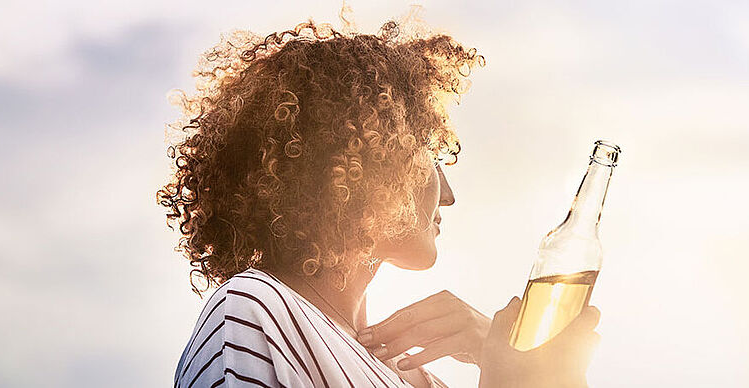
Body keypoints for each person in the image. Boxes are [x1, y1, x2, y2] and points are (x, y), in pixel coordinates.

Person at [159, 19, 601, 388]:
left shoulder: (421, 380)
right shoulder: (254, 311)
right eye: (429, 152)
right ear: (367, 159)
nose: (449, 195)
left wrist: (533, 373)